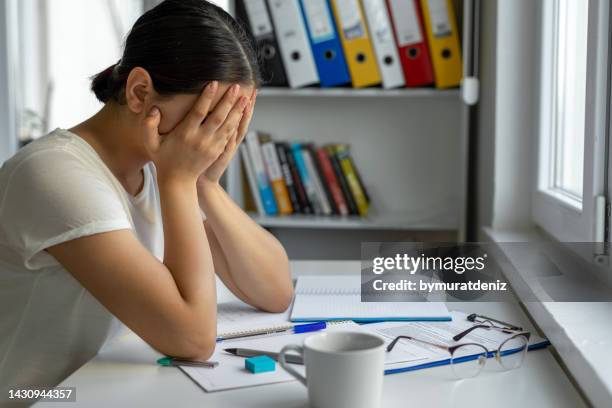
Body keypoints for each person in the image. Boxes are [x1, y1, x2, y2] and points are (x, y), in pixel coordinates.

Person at [0, 0, 293, 397]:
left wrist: (205, 184)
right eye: (207, 118)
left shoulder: (165, 161)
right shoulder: (55, 174)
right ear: (140, 93)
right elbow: (191, 339)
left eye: (229, 121)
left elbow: (275, 292)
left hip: (117, 390)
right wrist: (178, 181)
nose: (215, 138)